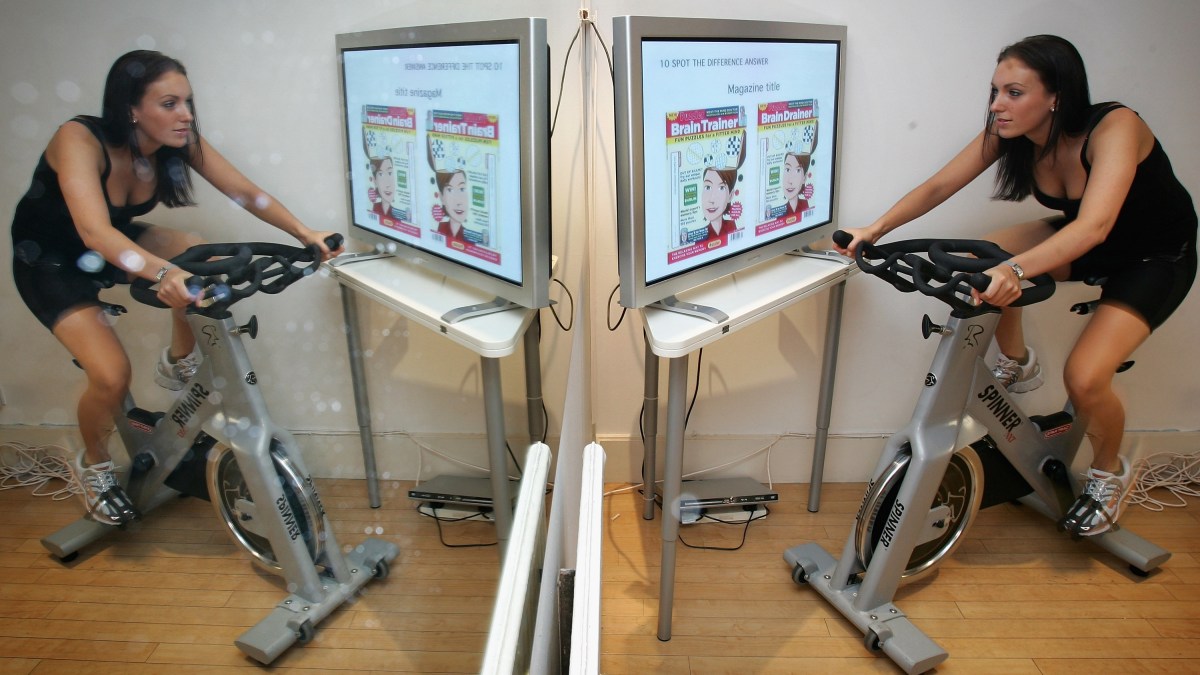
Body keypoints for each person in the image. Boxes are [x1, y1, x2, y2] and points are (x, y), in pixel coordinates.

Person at [835, 35, 1197, 536]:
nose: (997, 105)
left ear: (1056, 97)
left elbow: (1095, 226)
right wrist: (874, 230)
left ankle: (1109, 472)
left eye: (1014, 93)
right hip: (1085, 239)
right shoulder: (1010, 130)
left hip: (1154, 256)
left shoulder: (1116, 127)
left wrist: (1016, 271)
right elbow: (941, 184)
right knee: (976, 260)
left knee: (1085, 379)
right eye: (995, 91)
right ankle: (1018, 362)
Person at [9, 50, 342, 525]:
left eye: (187, 102)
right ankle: (94, 466)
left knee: (198, 253)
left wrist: (304, 233)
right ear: (131, 109)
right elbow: (94, 233)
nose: (185, 115)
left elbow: (246, 192)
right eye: (169, 104)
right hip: (52, 262)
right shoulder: (77, 138)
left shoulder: (176, 139)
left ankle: (177, 360)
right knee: (111, 376)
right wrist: (164, 274)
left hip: (113, 245)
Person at [700, 167, 740, 242]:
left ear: (730, 195)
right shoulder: (700, 235)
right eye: (708, 187)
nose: (712, 199)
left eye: (721, 188)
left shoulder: (731, 226)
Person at [433, 168, 469, 242]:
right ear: (442, 198)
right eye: (450, 190)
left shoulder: (470, 236)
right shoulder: (439, 228)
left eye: (462, 189)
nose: (458, 201)